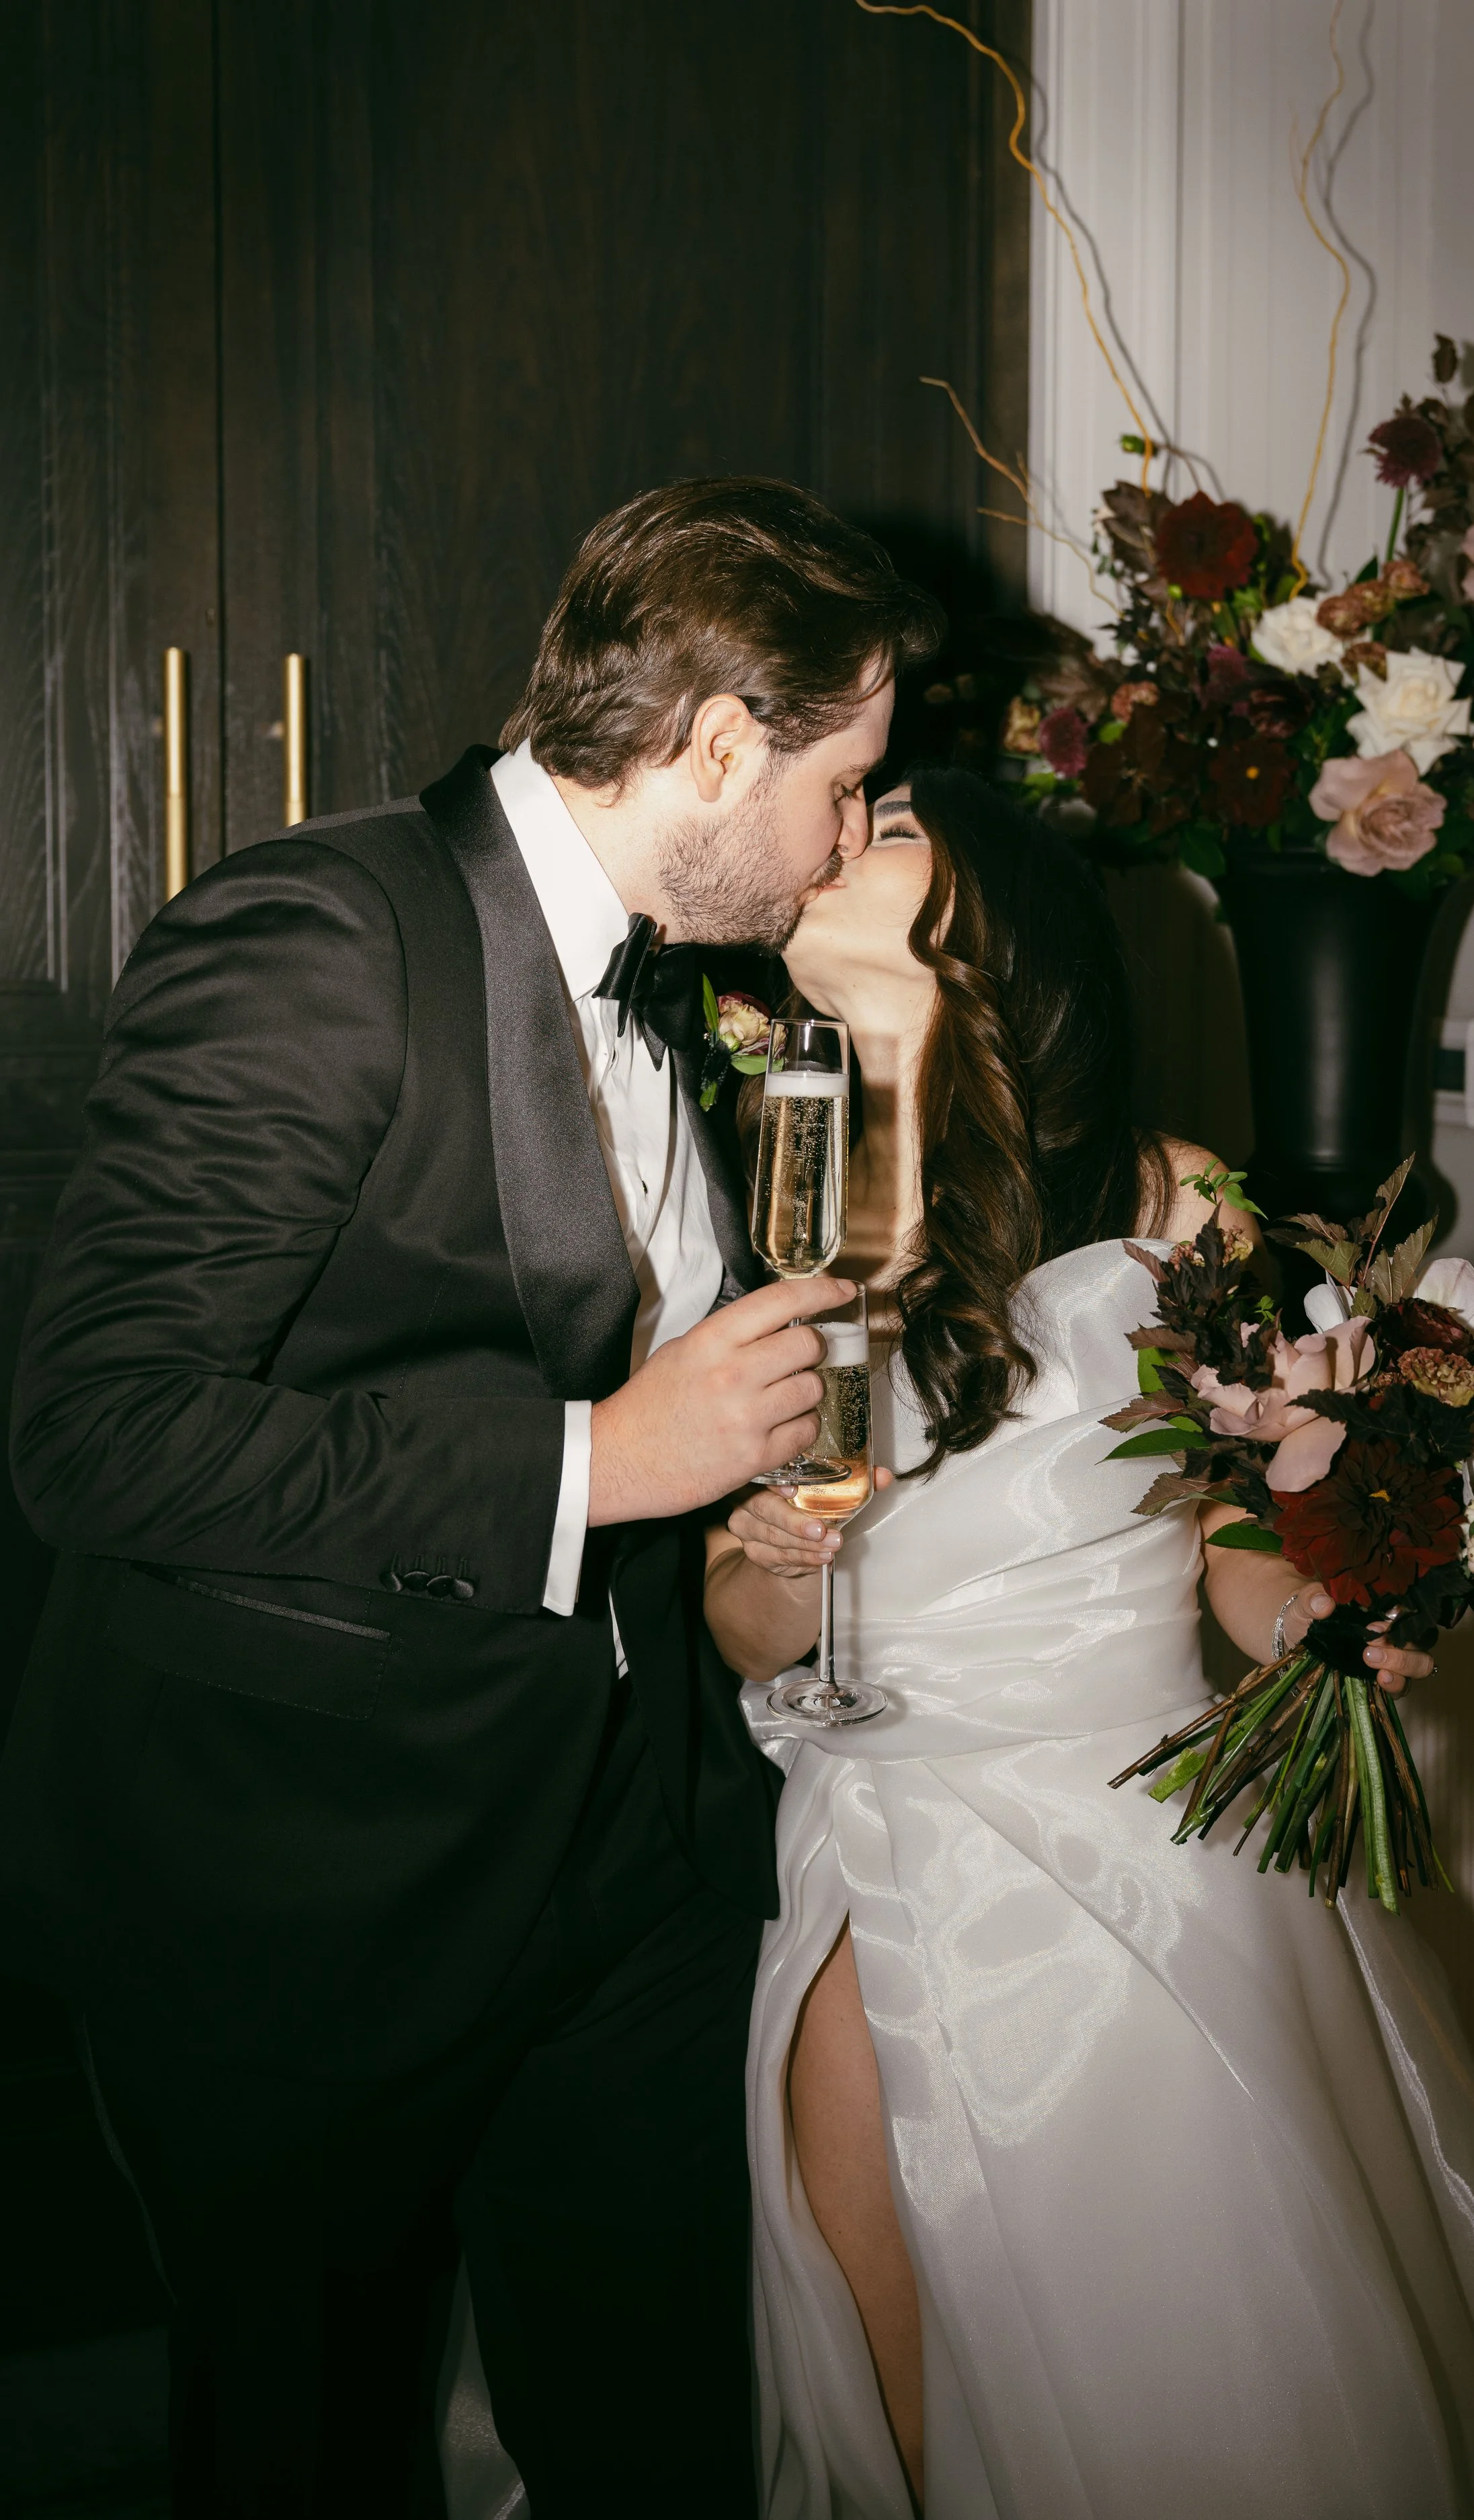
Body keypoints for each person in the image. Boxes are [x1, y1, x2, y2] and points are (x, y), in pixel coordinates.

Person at [0, 478, 942, 2515]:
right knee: (310, 2454)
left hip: (623, 1869)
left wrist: (727, 1518)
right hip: (300, 1891)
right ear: (711, 745)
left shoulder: (691, 965)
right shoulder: (316, 938)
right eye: (840, 778)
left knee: (662, 2429)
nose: (851, 837)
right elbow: (95, 1427)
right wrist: (610, 1464)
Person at [707, 766, 1474, 2520]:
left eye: (891, 820)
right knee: (894, 2392)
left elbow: (1238, 1523)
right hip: (863, 1836)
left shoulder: (1168, 1199)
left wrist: (1325, 1597)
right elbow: (743, 1613)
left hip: (1140, 1848)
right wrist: (774, 1556)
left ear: (996, 929)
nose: (835, 834)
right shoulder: (777, 1202)